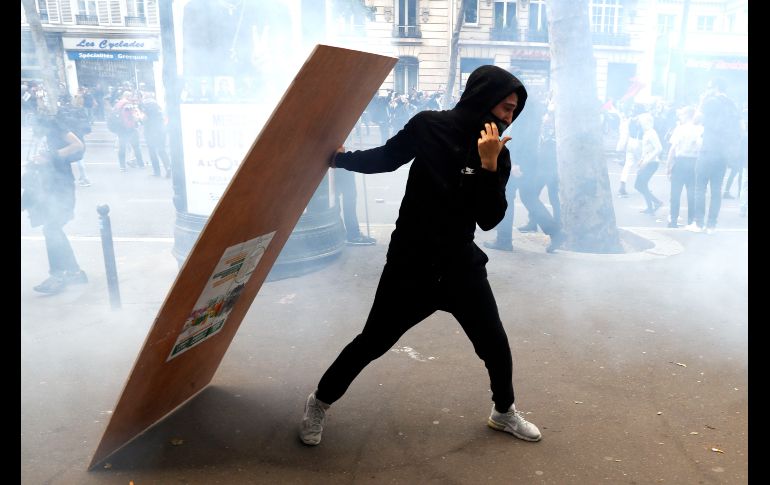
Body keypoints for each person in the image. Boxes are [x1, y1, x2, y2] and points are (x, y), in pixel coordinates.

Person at [299, 65, 542, 446]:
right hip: (411, 263)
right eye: (506, 107)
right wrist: (338, 159)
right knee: (372, 341)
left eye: (514, 111)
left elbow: (490, 219)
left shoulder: (498, 153)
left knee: (495, 344)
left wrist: (489, 165)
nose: (509, 117)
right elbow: (386, 158)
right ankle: (319, 401)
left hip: (460, 265)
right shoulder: (429, 125)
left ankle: (503, 412)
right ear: (483, 98)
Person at [21, 114, 89, 295]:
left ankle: (59, 275)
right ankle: (74, 273)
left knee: (52, 229)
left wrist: (51, 156)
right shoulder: (38, 131)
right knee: (52, 229)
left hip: (60, 189)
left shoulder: (53, 124)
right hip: (45, 189)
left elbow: (77, 145)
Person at [686, 79, 741, 234]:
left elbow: (696, 120)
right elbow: (741, 127)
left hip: (708, 150)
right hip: (724, 154)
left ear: (715, 88)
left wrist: (701, 100)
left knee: (700, 188)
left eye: (709, 86)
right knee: (716, 189)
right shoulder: (732, 104)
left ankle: (698, 223)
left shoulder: (709, 101)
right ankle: (711, 225)